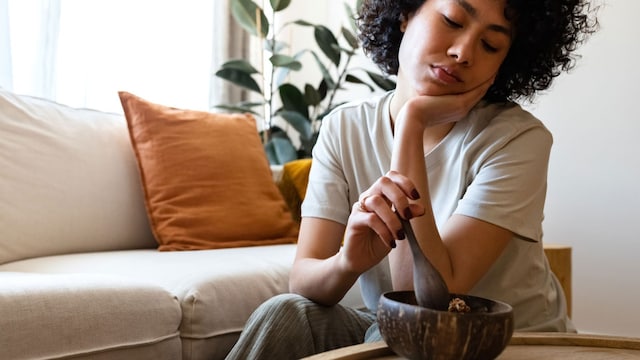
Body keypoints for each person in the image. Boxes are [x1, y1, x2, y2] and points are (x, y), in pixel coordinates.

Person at [225, 0, 598, 358]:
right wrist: (347, 262)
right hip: (400, 332)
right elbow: (303, 280)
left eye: (490, 44)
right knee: (287, 313)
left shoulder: (517, 139)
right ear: (405, 13)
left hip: (515, 342)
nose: (464, 52)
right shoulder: (344, 127)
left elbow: (425, 301)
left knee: (390, 335)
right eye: (452, 20)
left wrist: (412, 122)